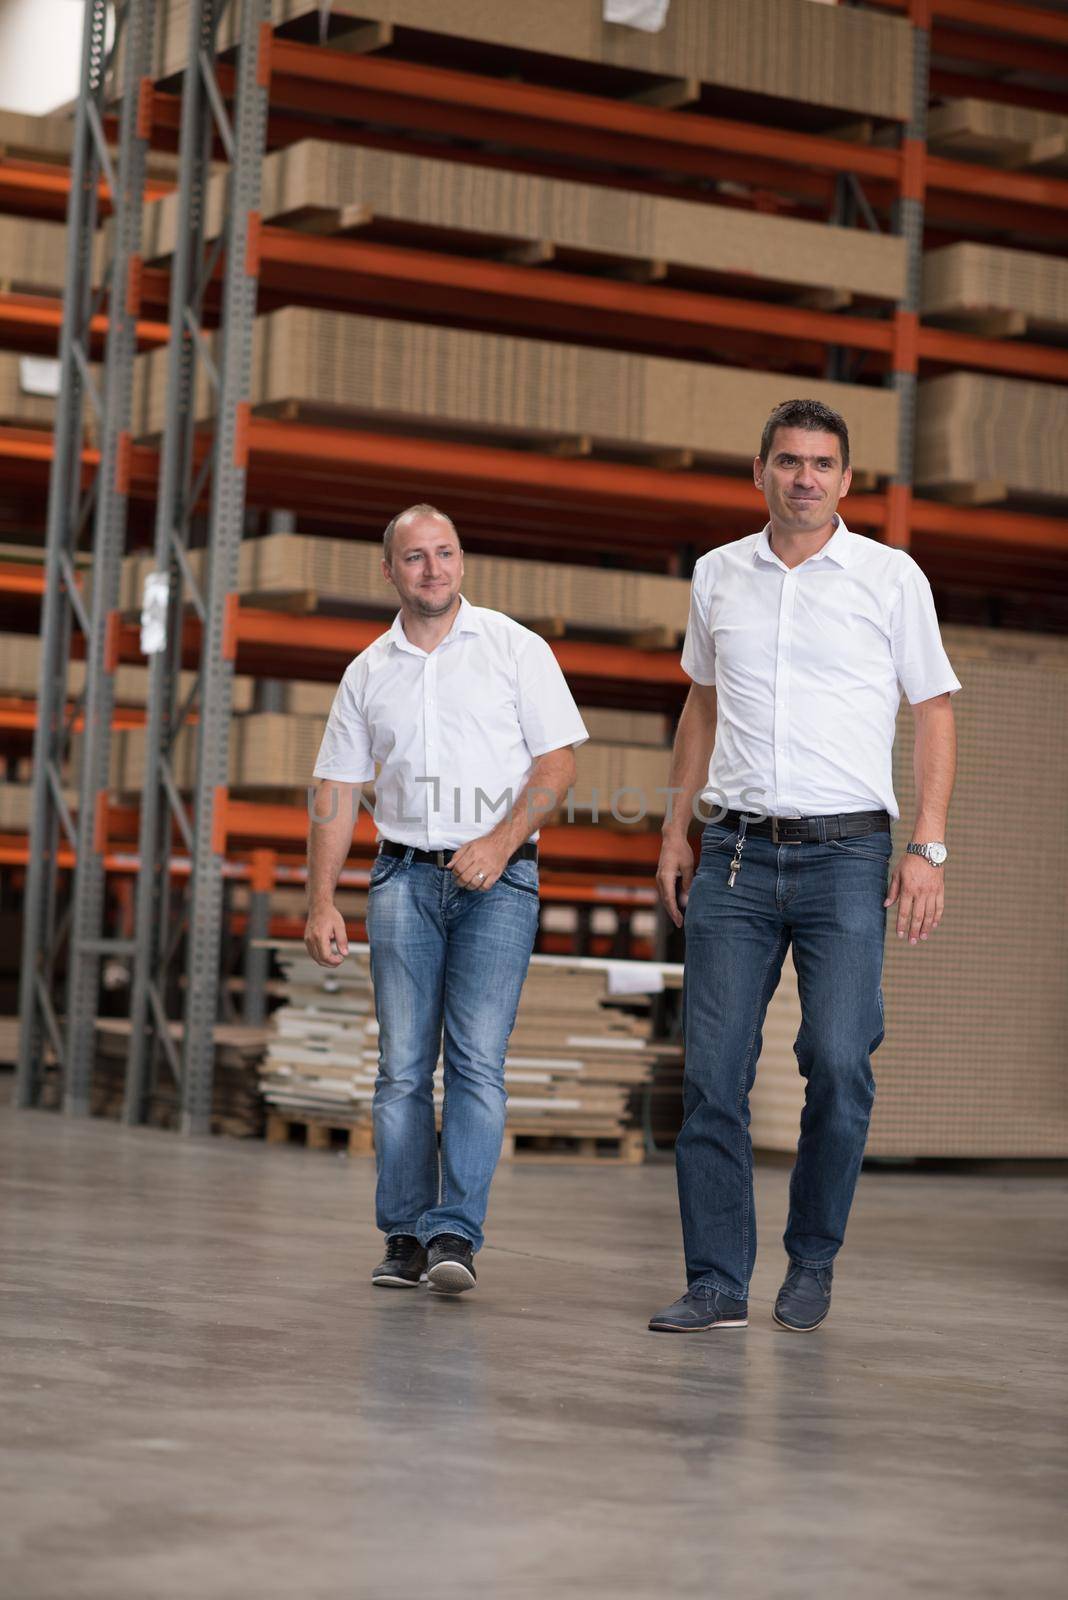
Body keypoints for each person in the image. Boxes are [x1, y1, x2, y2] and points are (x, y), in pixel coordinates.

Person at [651, 399, 960, 1335]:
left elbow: (935, 709)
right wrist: (675, 830)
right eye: (788, 461)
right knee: (712, 1074)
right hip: (736, 856)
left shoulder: (890, 578)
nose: (804, 478)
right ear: (760, 472)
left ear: (846, 480)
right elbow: (701, 706)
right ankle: (715, 1281)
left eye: (822, 464)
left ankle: (812, 1259)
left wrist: (928, 846)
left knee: (838, 1059)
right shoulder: (717, 576)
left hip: (848, 856)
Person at [304, 504, 588, 1296]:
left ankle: (455, 1232)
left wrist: (499, 843)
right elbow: (335, 790)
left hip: (500, 882)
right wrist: (320, 899)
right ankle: (403, 1234)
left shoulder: (513, 649)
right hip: (400, 879)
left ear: (462, 561)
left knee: (475, 1064)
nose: (434, 569)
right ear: (389, 571)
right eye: (416, 558)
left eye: (446, 554)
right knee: (400, 1069)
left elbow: (558, 765)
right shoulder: (368, 672)